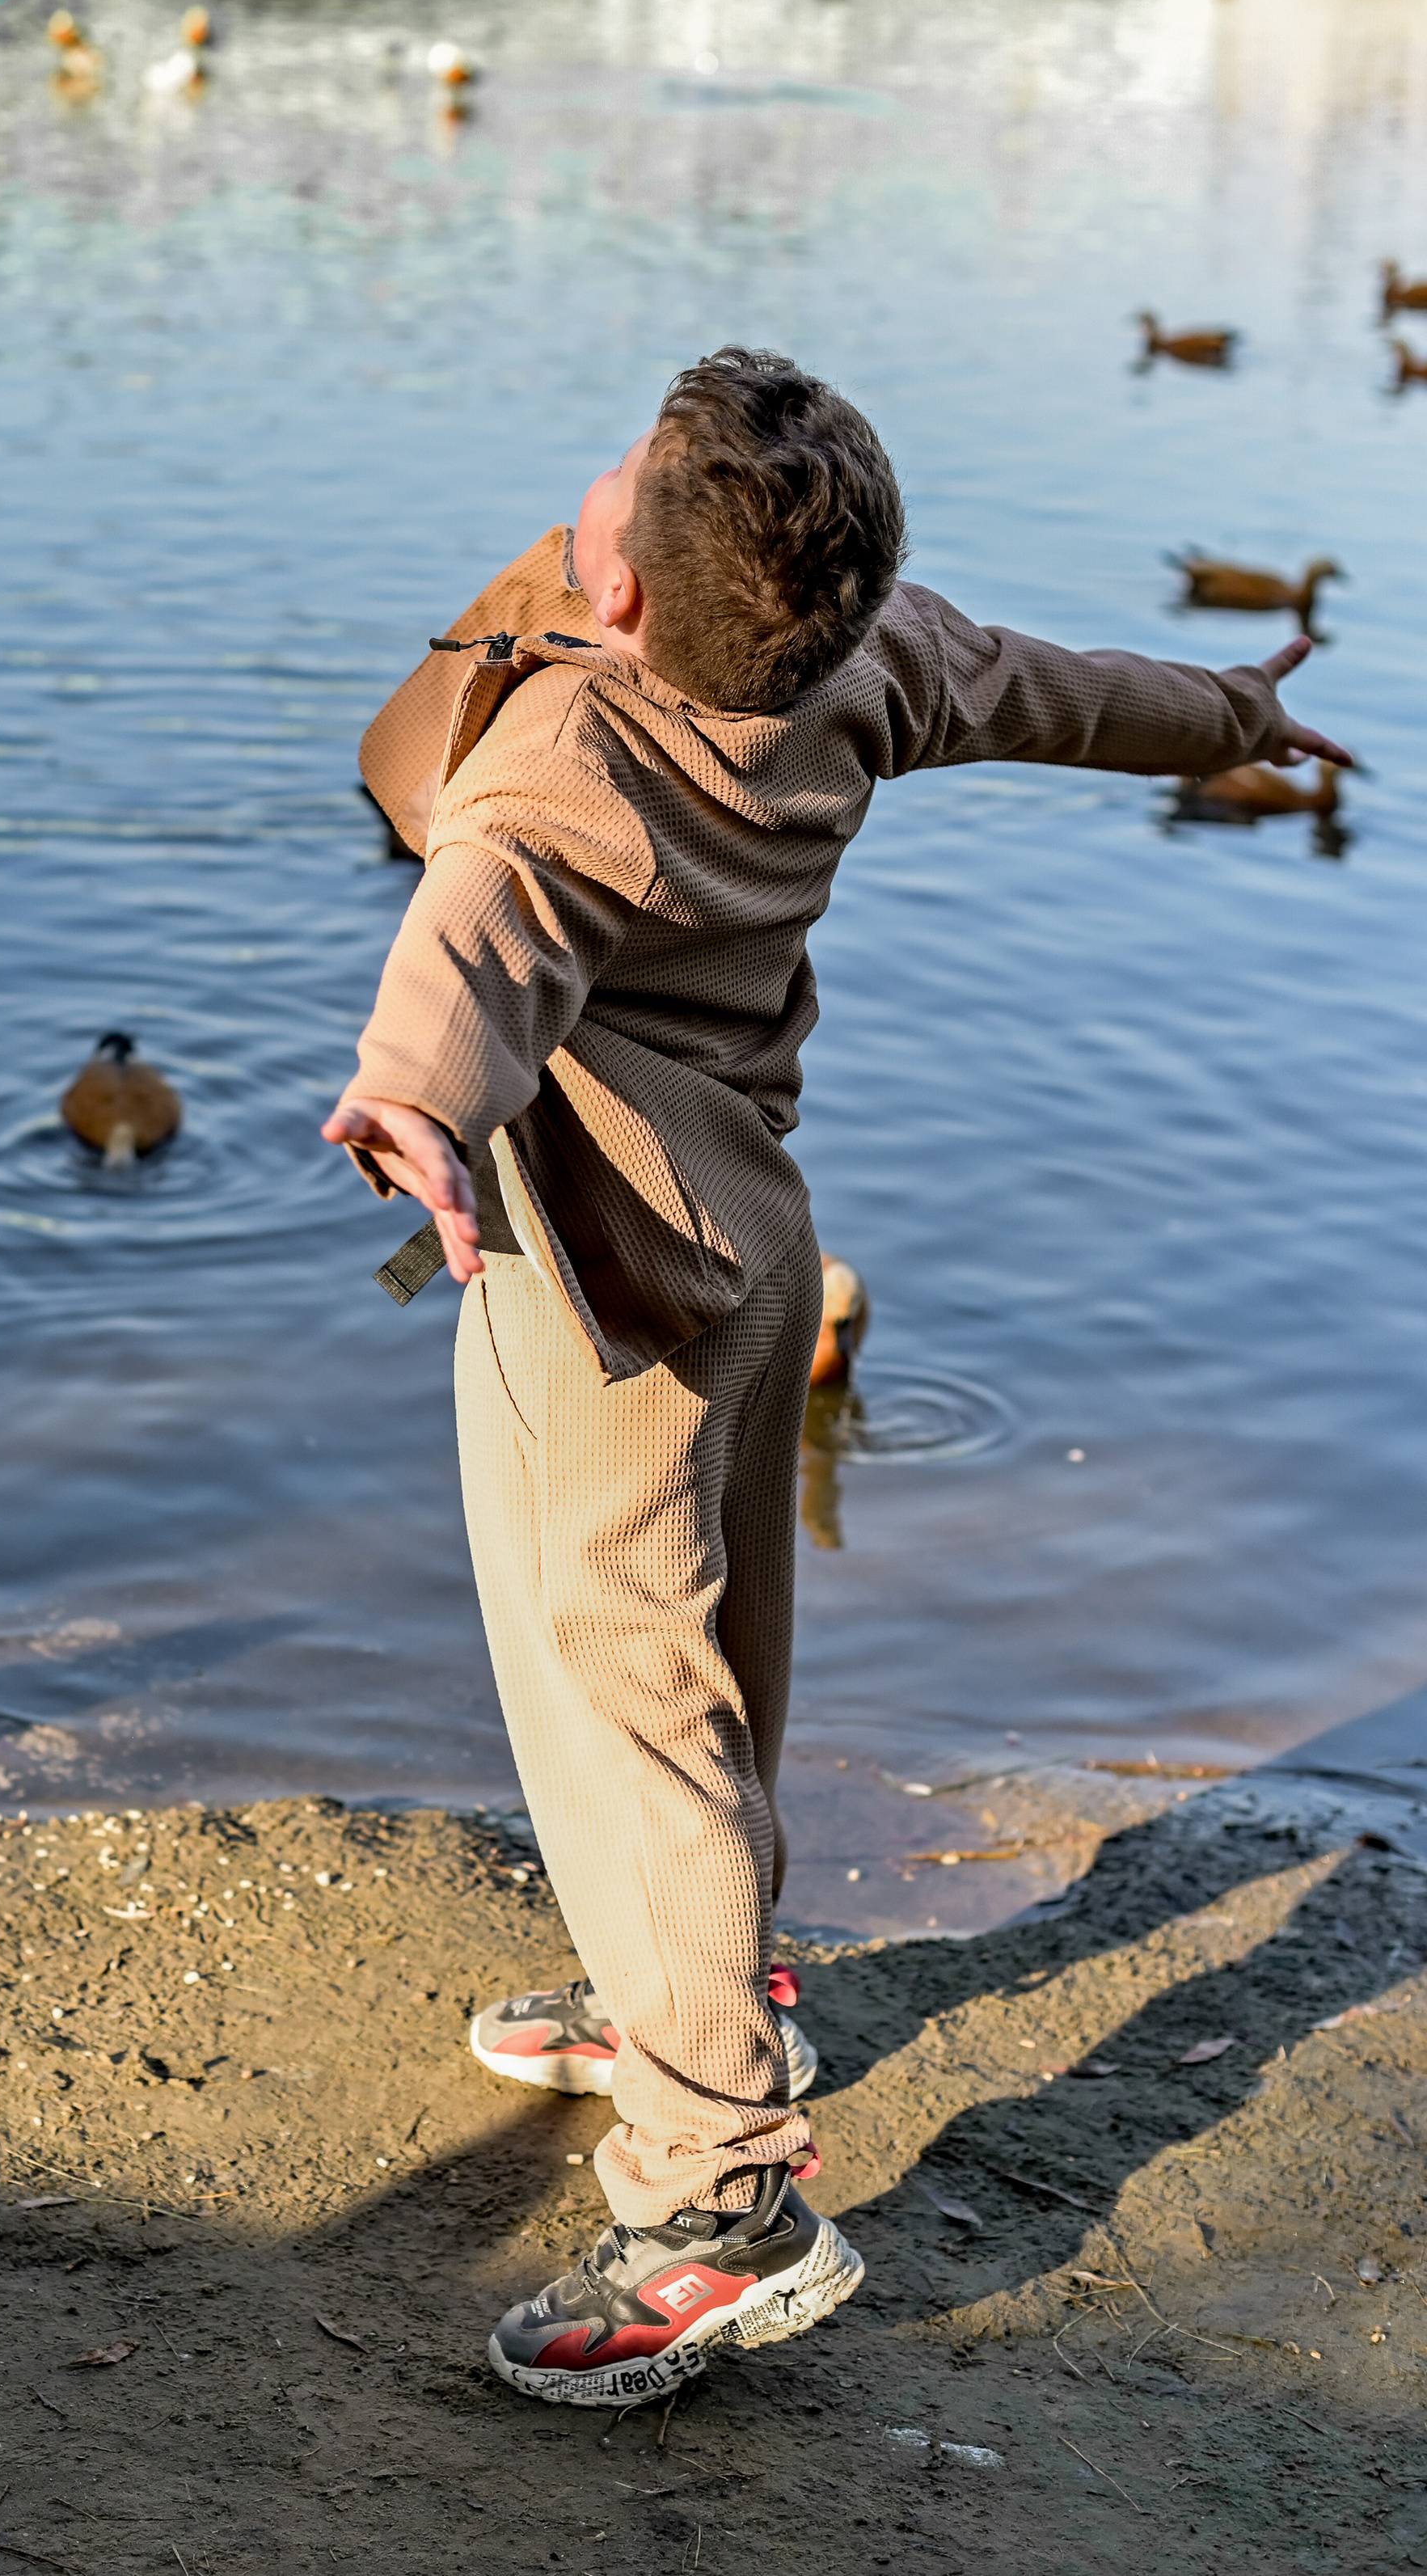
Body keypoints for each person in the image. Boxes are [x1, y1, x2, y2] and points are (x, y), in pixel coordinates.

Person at [323, 348, 1351, 2409]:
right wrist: (1235, 709)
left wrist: (406, 1100)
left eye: (616, 477)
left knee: (622, 1704)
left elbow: (469, 924)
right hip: (755, 1237)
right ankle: (696, 1991)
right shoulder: (856, 660)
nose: (592, 473)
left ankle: (715, 2200)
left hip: (602, 1283)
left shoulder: (568, 759)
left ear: (623, 593)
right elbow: (1056, 690)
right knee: (726, 1647)